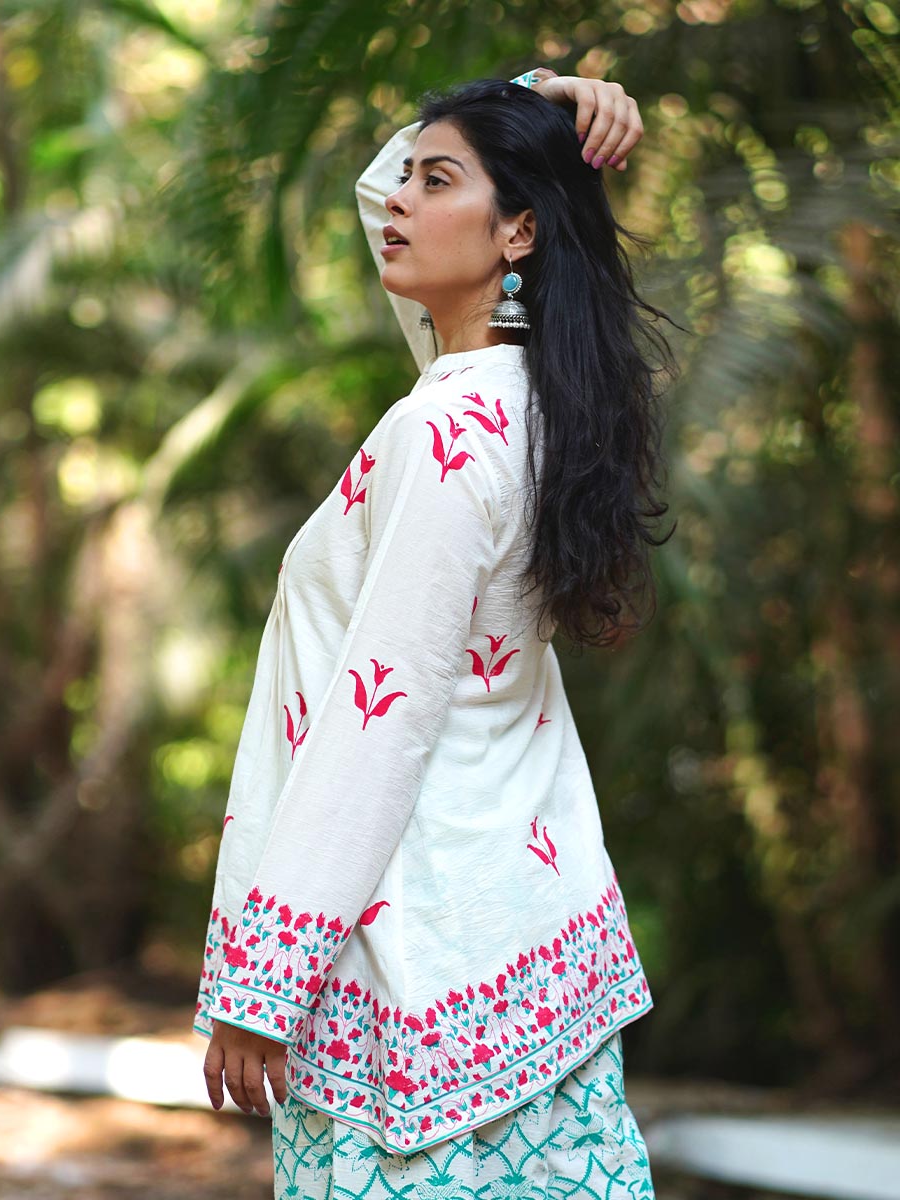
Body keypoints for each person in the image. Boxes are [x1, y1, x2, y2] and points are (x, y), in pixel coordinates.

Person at [196, 64, 677, 1198]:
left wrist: (267, 982)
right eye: (407, 176)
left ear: (519, 232)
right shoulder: (530, 399)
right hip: (522, 943)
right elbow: (390, 204)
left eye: (438, 180)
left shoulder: (447, 430)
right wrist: (534, 99)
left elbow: (381, 717)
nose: (399, 200)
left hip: (418, 968)